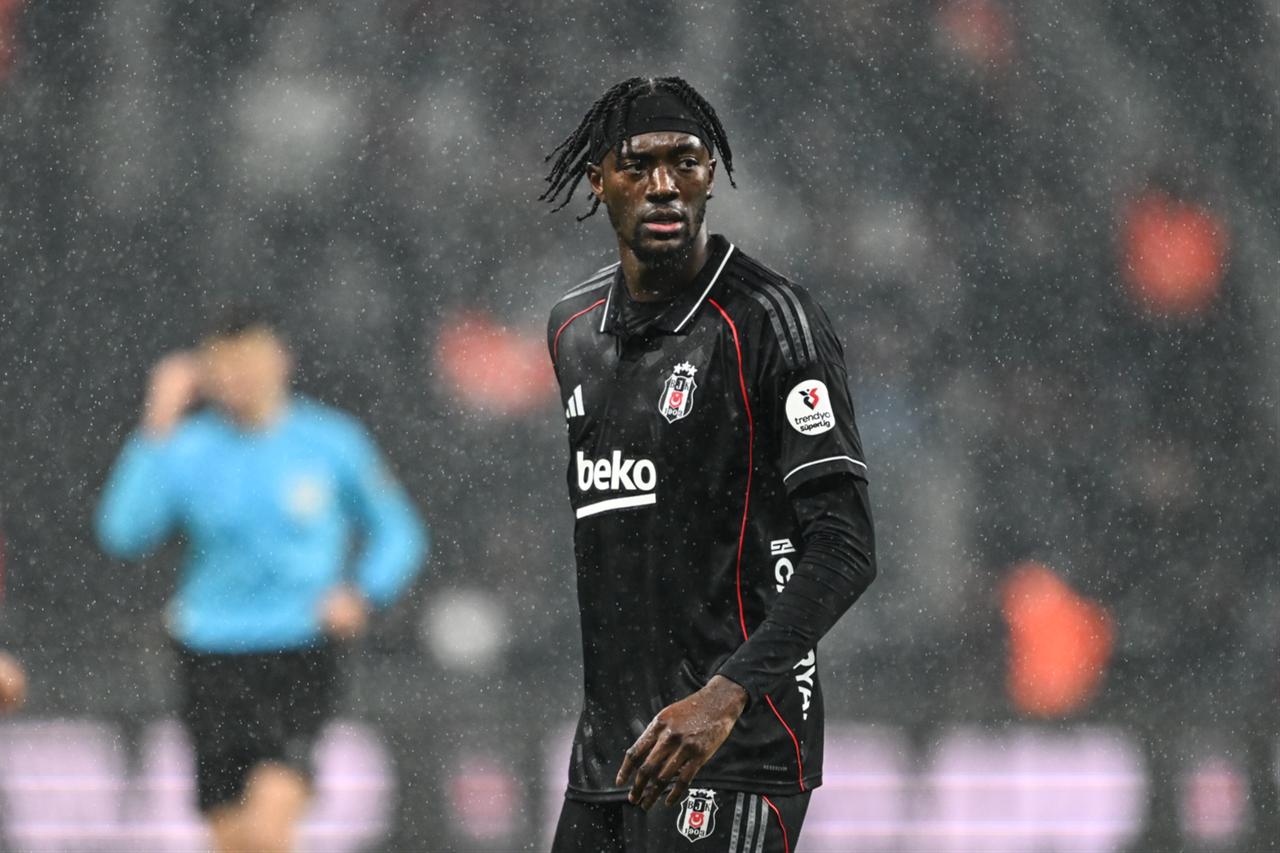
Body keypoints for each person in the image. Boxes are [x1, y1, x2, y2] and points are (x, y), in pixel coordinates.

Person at [542, 77, 877, 853]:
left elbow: (847, 545)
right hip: (610, 760)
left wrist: (726, 693)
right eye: (639, 164)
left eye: (686, 162)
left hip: (738, 747)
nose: (664, 185)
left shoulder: (771, 320)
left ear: (712, 175)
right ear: (598, 179)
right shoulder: (573, 332)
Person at [95, 306, 427, 853]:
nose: (234, 377)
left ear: (280, 360)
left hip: (298, 649)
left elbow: (399, 533)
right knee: (230, 838)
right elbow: (123, 533)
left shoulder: (330, 442)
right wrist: (157, 422)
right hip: (209, 652)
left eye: (245, 361)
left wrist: (363, 592)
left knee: (270, 827)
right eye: (220, 366)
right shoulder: (187, 448)